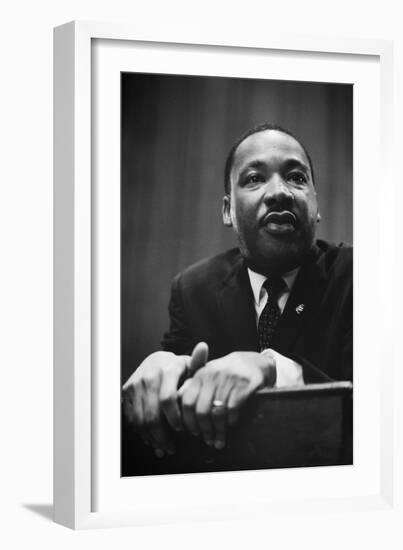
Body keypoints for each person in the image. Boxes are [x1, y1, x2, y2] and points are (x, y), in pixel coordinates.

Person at [122, 123, 352, 461]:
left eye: (297, 178)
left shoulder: (359, 276)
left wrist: (271, 368)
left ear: (316, 206)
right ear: (228, 210)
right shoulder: (193, 289)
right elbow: (178, 394)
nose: (279, 192)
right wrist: (163, 369)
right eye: (255, 178)